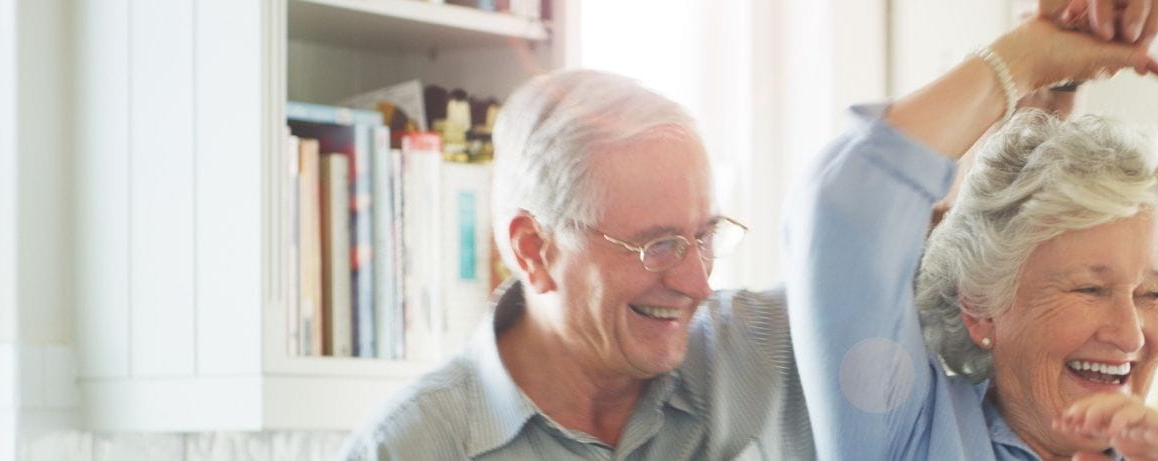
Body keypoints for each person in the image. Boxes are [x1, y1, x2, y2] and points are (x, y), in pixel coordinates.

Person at [785, 14, 1158, 461]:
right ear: (978, 307)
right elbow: (846, 209)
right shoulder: (914, 437)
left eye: (1154, 294)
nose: (1130, 334)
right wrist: (1021, 60)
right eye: (1090, 289)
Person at [340, 71, 809, 460]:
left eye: (703, 236)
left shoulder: (759, 348)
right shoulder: (407, 449)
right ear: (533, 251)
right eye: (658, 245)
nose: (698, 285)